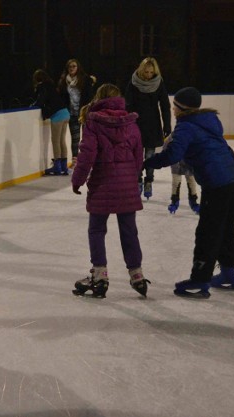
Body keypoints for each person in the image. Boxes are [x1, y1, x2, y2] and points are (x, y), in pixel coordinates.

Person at [144, 87, 234, 298]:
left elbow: (172, 155)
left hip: (216, 181)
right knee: (226, 227)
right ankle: (229, 273)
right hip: (233, 176)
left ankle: (200, 280)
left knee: (208, 230)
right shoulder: (208, 120)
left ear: (181, 108)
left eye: (173, 107)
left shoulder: (186, 126)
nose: (172, 110)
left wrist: (147, 163)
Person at [71, 83, 150, 298]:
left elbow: (87, 156)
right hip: (126, 185)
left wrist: (77, 181)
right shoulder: (131, 123)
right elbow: (138, 156)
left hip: (102, 185)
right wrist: (133, 180)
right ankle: (137, 275)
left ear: (99, 98)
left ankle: (100, 275)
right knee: (129, 230)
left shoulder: (93, 122)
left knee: (97, 229)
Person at [124, 57, 171, 199]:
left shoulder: (159, 83)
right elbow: (127, 105)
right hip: (136, 125)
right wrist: (127, 123)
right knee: (137, 157)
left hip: (152, 124)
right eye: (146, 72)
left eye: (151, 72)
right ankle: (137, 180)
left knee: (150, 157)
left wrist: (167, 124)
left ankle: (149, 181)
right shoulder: (133, 82)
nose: (148, 75)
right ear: (141, 70)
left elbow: (164, 105)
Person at [32, 69, 71, 176]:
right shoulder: (51, 85)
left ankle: (57, 167)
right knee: (62, 140)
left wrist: (34, 105)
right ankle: (64, 167)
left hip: (57, 114)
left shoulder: (42, 86)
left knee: (55, 141)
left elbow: (40, 101)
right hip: (65, 112)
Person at [57, 59, 93, 169]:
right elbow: (61, 98)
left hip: (84, 113)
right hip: (72, 113)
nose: (72, 68)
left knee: (87, 137)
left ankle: (88, 159)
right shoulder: (64, 81)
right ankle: (75, 160)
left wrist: (88, 109)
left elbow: (89, 96)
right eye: (70, 67)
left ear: (78, 68)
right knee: (75, 138)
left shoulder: (85, 79)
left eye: (74, 66)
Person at [163, 134, 201, 214]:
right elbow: (166, 145)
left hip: (188, 162)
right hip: (176, 162)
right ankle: (174, 201)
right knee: (176, 182)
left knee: (191, 181)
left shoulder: (191, 134)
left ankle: (193, 201)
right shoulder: (174, 135)